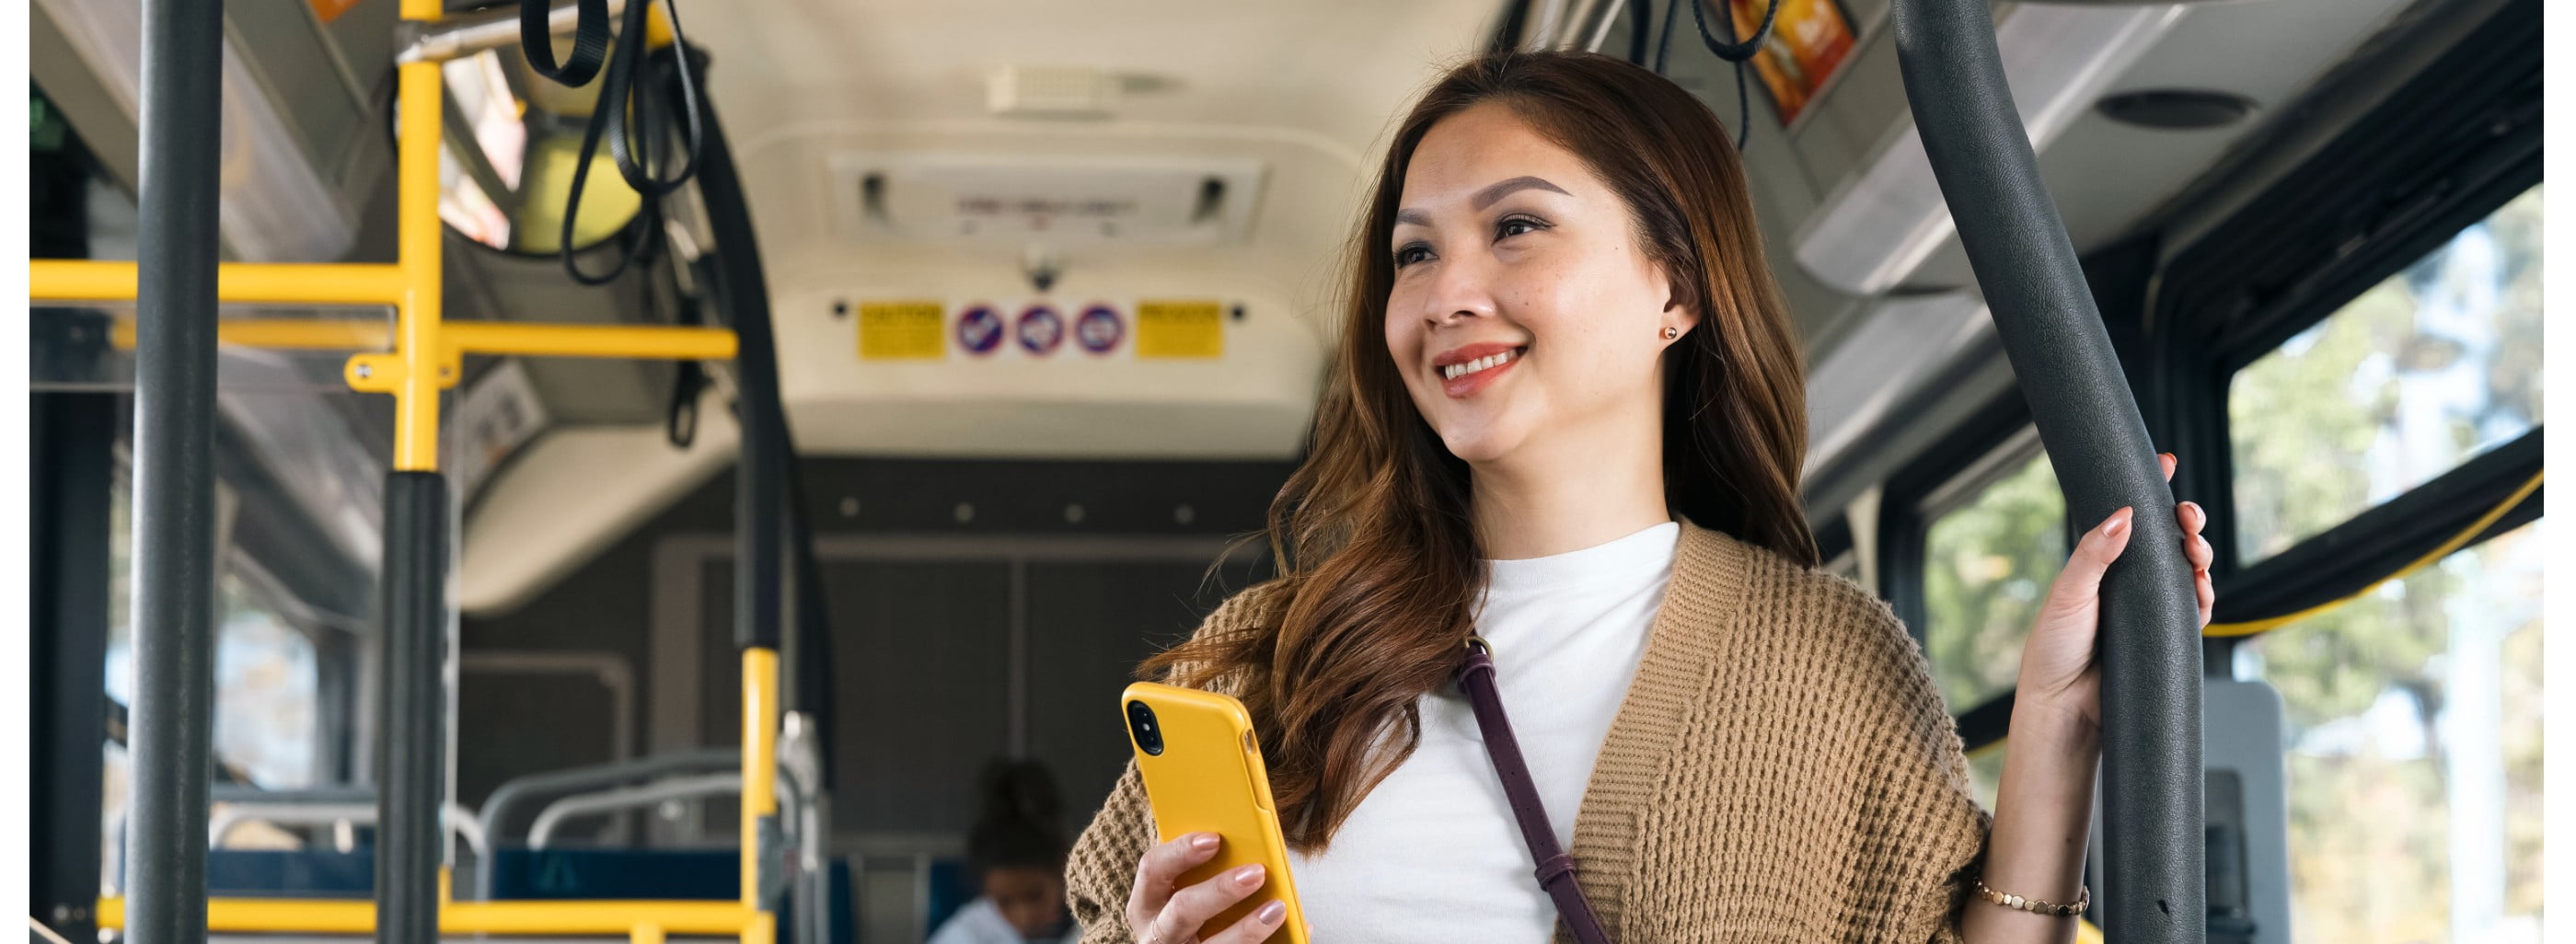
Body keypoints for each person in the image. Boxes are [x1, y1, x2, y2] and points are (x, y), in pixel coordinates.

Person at [1063, 50, 2213, 944]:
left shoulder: (1826, 659)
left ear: (1676, 288)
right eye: (1414, 256)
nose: (1447, 293)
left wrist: (2059, 725)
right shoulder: (1268, 655)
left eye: (1516, 228)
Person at [930, 760, 1083, 944]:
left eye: (1035, 896)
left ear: (1063, 868)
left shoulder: (1096, 926)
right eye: (1004, 902)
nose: (1024, 916)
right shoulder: (966, 935)